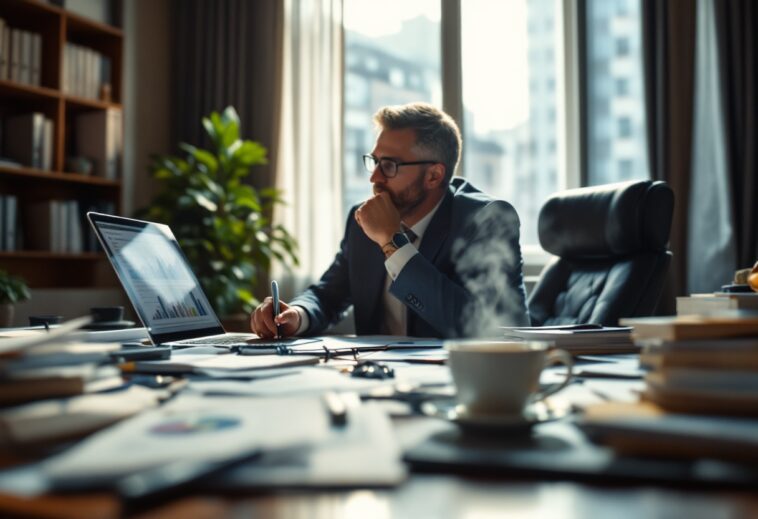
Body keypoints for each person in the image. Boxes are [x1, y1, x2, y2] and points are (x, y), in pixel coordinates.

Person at [251, 102, 529, 339]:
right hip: (378, 381)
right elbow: (328, 295)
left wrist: (392, 243)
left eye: (389, 165)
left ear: (433, 175)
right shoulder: (363, 220)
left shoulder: (486, 220)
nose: (374, 178)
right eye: (374, 162)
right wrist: (296, 315)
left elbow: (481, 327)